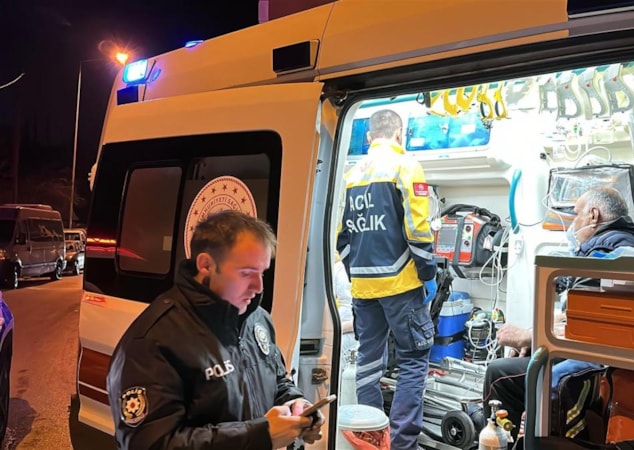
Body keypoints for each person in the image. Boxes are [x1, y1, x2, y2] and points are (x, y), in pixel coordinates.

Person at [107, 210, 324, 450]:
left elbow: (277, 379)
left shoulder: (257, 318)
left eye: (262, 273)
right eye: (246, 273)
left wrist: (297, 404)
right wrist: (261, 436)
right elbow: (151, 444)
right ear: (206, 265)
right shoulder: (152, 340)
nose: (258, 286)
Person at [483, 186, 634, 438]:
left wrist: (528, 337)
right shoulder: (629, 244)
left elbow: (583, 323)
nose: (573, 224)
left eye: (576, 214)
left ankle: (503, 440)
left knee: (499, 373)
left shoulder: (606, 253)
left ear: (593, 215)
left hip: (596, 359)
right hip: (605, 351)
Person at [336, 109, 438, 450]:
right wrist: (427, 274)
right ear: (399, 135)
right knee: (413, 359)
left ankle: (371, 439)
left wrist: (357, 271)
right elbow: (418, 229)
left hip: (363, 290)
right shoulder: (406, 166)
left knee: (368, 365)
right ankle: (402, 445)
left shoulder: (351, 175)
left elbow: (341, 237)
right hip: (401, 285)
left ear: (369, 138)